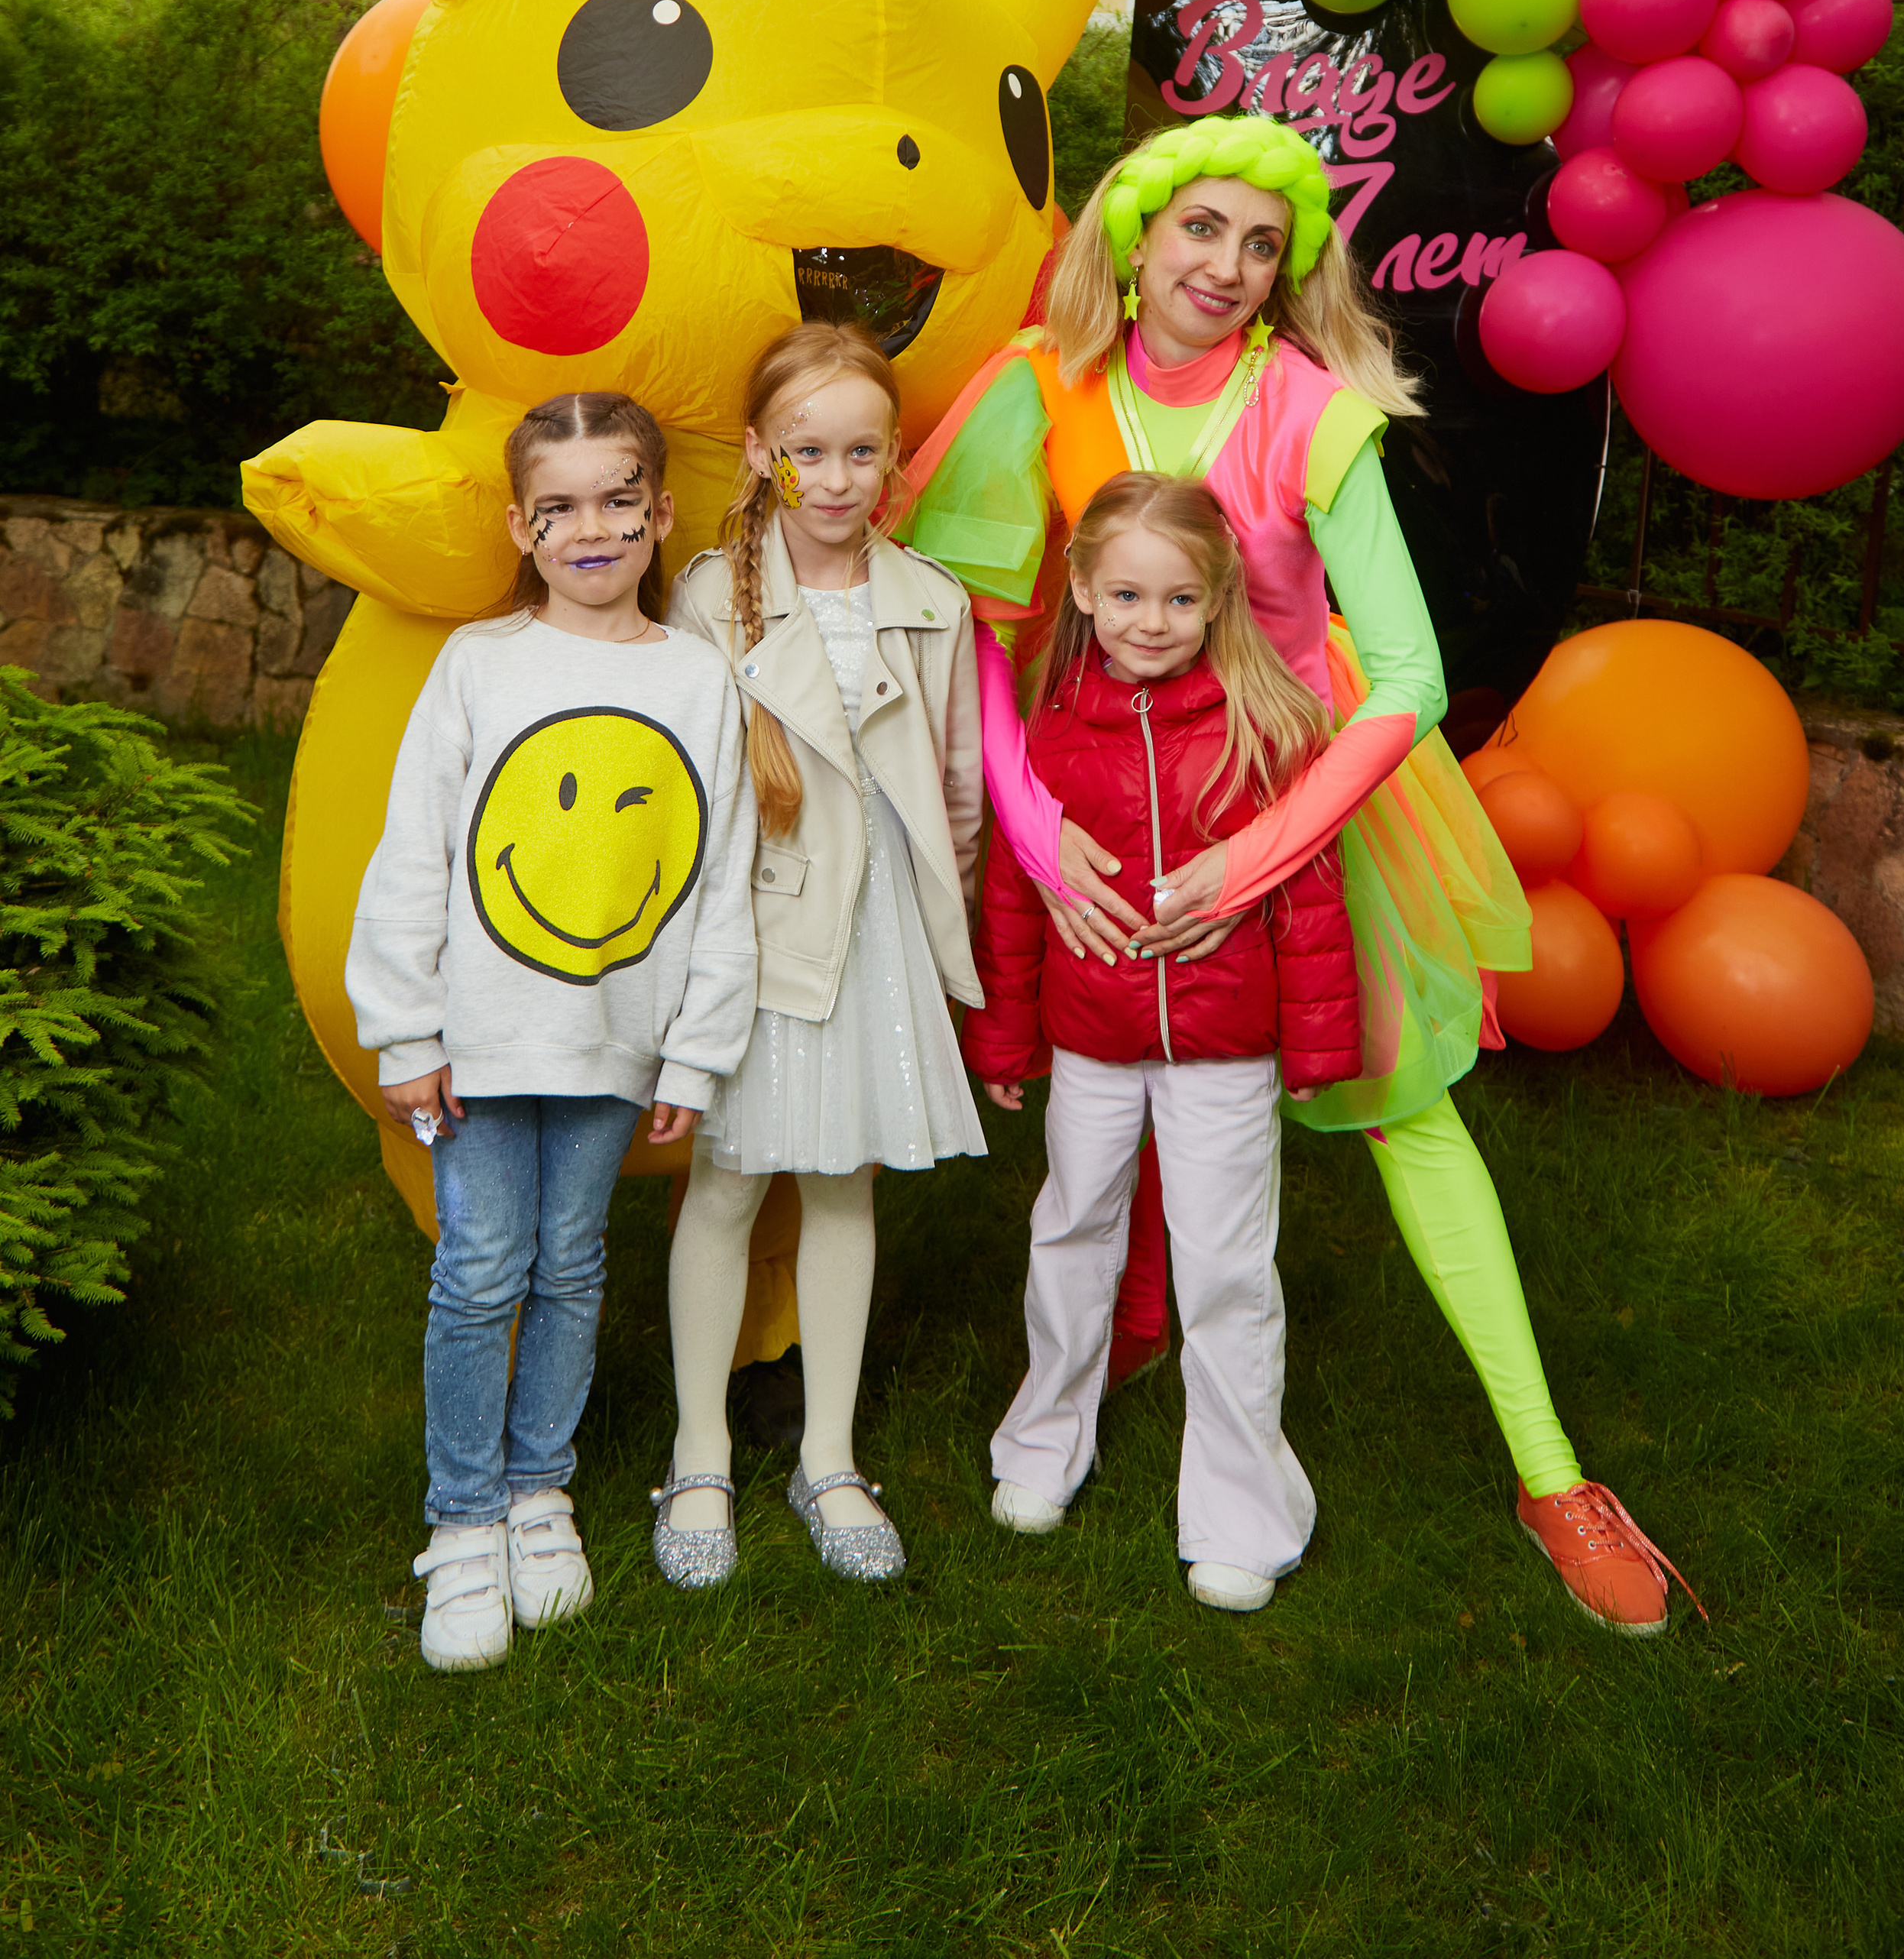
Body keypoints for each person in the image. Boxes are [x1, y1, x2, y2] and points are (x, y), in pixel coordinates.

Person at [908, 115, 1703, 1637]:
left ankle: (1551, 1476)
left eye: (1262, 244)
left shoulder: (1306, 411)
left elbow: (1401, 676)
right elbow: (974, 639)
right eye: (1199, 229)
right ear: (1134, 241)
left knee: (1401, 1110)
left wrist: (1257, 858)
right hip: (1095, 818)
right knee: (1103, 1113)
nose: (1227, 264)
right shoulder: (1037, 390)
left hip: (1297, 811)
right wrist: (1033, 834)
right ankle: (1110, 1350)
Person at [346, 392, 758, 1674]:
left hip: (612, 1042)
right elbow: (415, 853)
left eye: (619, 500)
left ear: (660, 512)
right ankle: (461, 1520)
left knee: (572, 1266)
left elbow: (720, 877)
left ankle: (540, 1491)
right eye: (563, 507)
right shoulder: (478, 663)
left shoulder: (699, 682)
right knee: (478, 1272)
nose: (595, 528)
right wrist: (403, 1028)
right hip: (477, 1040)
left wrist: (693, 1051)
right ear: (524, 526)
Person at [968, 471, 1361, 1613]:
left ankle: (1243, 1507)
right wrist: (1004, 1036)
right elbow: (1013, 892)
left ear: (1218, 600)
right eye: (1128, 594)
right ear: (1083, 589)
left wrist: (1318, 1045)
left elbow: (1311, 898)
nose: (1151, 622)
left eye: (1180, 601)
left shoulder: (1268, 729)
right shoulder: (1043, 740)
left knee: (1229, 1267)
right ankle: (1048, 1440)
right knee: (1073, 1229)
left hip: (1227, 1053)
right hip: (1089, 1044)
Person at [659, 323, 986, 1587]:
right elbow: (686, 804)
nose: (838, 478)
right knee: (729, 1184)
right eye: (809, 451)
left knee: (848, 1181)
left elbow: (951, 791)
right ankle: (699, 1457)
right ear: (758, 454)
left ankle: (829, 1457)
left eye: (863, 452)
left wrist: (951, 933)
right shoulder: (705, 597)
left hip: (879, 934)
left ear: (895, 460)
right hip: (759, 936)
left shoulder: (931, 604)